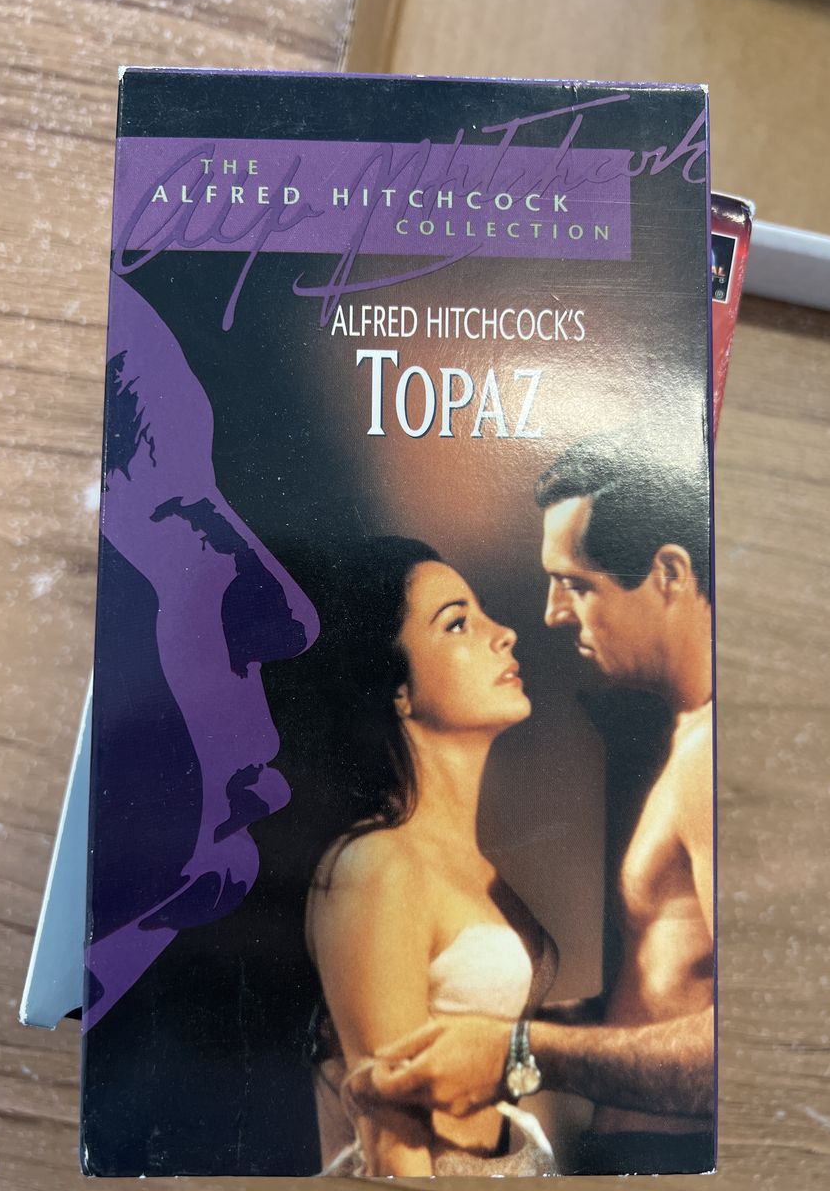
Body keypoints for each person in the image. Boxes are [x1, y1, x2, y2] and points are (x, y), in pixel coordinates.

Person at [356, 432, 716, 1176]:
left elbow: (733, 1046)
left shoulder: (711, 758)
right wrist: (498, 1033)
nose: (552, 614)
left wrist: (518, 1050)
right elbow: (669, 996)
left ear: (669, 573)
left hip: (667, 1157)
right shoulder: (686, 738)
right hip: (622, 1148)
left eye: (577, 585)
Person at [299, 536, 559, 1177]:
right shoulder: (376, 866)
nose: (504, 634)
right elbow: (394, 1143)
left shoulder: (473, 865)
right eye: (458, 623)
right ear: (398, 689)